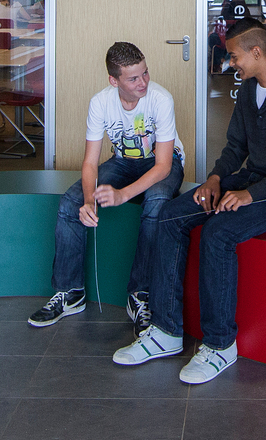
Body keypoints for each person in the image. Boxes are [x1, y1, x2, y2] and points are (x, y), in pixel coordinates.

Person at [112, 18, 266, 383]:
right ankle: (166, 331)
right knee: (171, 213)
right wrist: (216, 179)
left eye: (235, 56)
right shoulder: (248, 91)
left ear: (257, 52)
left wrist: (248, 194)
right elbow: (236, 146)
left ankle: (221, 344)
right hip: (249, 179)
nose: (231, 63)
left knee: (219, 233)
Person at [28, 42, 184, 329]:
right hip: (123, 161)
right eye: (134, 78)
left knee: (157, 203)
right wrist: (89, 200)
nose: (144, 82)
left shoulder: (161, 99)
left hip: (162, 162)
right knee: (70, 202)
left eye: (145, 73)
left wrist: (124, 194)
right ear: (114, 81)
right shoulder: (101, 102)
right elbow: (90, 162)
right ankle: (70, 292)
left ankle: (141, 295)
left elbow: (163, 166)